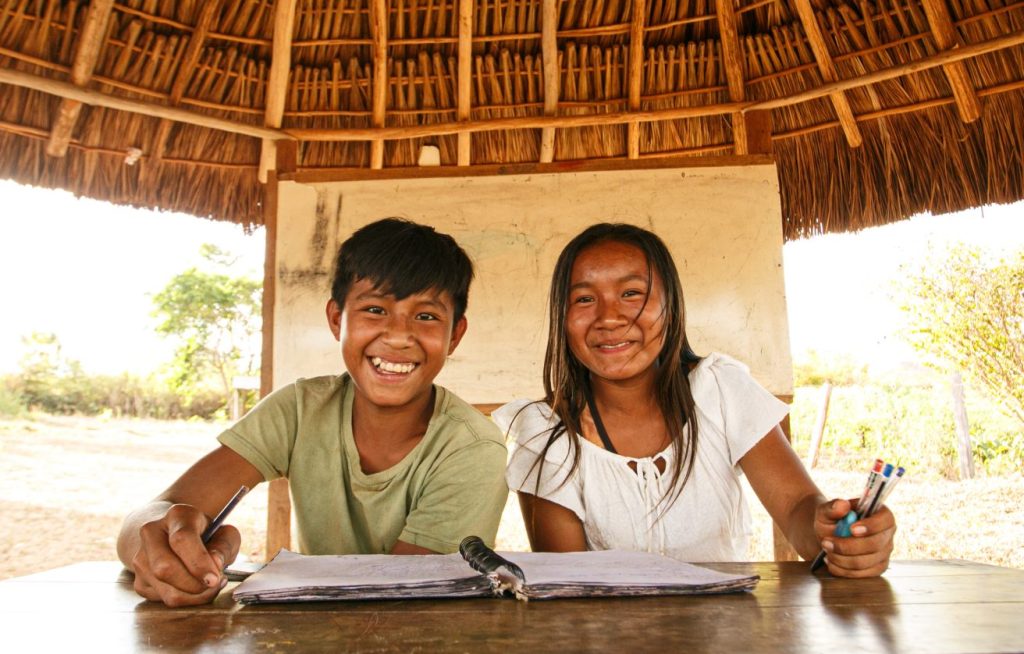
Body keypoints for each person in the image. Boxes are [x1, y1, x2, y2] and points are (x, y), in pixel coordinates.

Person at [118, 218, 509, 606]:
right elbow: (155, 512)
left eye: (426, 316)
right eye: (375, 309)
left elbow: (399, 598)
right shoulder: (300, 410)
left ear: (454, 334)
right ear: (337, 319)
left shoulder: (472, 447)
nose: (397, 336)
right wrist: (161, 546)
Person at [493, 223, 896, 577]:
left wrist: (833, 536)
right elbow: (570, 582)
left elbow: (797, 508)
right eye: (583, 299)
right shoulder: (544, 432)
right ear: (561, 318)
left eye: (632, 293)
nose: (609, 317)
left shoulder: (719, 390)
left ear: (672, 307)